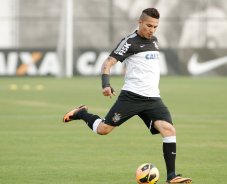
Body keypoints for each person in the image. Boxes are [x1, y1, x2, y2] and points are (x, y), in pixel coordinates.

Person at [63, 8, 192, 184]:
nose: (152, 30)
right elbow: (108, 62)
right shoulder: (129, 42)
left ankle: (172, 176)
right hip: (131, 97)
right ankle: (82, 113)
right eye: (149, 25)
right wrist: (106, 84)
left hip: (153, 99)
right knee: (103, 130)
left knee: (169, 130)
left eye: (155, 26)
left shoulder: (154, 41)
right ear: (139, 22)